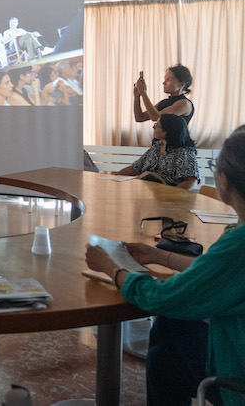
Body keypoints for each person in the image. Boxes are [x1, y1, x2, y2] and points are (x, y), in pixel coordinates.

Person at [86, 127, 245, 406]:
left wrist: (112, 268)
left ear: (223, 182)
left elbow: (164, 297)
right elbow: (217, 274)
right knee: (174, 327)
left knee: (164, 350)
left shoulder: (238, 245)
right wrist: (159, 257)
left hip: (237, 369)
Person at [115, 114, 199, 189]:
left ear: (166, 131)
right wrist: (114, 177)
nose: (153, 128)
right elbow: (135, 168)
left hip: (167, 198)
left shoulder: (184, 153)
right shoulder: (157, 146)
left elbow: (190, 181)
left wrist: (172, 196)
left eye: (157, 126)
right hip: (145, 192)